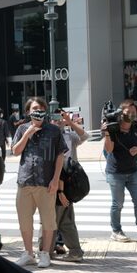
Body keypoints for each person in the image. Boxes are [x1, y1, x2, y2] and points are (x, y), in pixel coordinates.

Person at [11, 97, 67, 268]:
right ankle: (28, 253)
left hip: (46, 181)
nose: (38, 111)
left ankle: (44, 253)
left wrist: (56, 179)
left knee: (48, 220)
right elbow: (15, 151)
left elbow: (60, 155)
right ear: (28, 112)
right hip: (25, 180)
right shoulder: (22, 129)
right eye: (35, 108)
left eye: (41, 108)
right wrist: (28, 133)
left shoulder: (54, 130)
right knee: (24, 220)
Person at [39, 111, 88, 262]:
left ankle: (45, 251)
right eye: (54, 119)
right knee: (64, 219)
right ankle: (69, 251)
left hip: (65, 182)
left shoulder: (68, 135)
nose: (57, 121)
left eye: (60, 118)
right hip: (54, 181)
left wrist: (70, 122)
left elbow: (85, 136)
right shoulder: (47, 136)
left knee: (50, 219)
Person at [104, 100, 137, 243]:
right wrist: (108, 134)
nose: (131, 115)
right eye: (128, 112)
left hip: (133, 171)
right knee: (117, 204)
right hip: (115, 172)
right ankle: (116, 231)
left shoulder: (136, 126)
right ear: (121, 113)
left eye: (134, 113)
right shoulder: (114, 127)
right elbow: (108, 149)